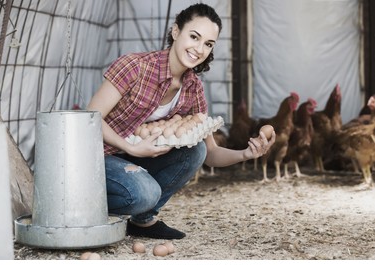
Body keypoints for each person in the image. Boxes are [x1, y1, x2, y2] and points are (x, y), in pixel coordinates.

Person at [87, 3, 275, 240]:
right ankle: (86, 208)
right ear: (176, 32)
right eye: (194, 37)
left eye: (208, 44)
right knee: (145, 193)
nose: (199, 49)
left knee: (195, 150)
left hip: (136, 156)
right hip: (100, 156)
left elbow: (210, 153)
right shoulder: (136, 67)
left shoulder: (192, 87)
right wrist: (131, 147)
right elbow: (90, 118)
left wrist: (246, 154)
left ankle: (142, 220)